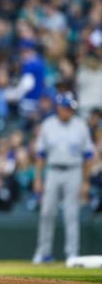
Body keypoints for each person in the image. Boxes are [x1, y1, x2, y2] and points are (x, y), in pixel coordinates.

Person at [32, 92, 94, 264]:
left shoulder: (80, 125)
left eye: (70, 108)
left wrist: (86, 181)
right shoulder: (48, 125)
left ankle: (72, 254)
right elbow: (40, 155)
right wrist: (38, 178)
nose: (69, 111)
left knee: (71, 214)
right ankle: (43, 253)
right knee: (46, 213)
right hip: (53, 171)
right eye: (66, 108)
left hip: (74, 171)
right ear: (58, 108)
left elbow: (88, 156)